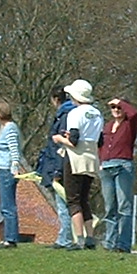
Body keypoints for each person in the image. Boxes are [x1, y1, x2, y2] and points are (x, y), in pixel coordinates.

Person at [52, 79, 103, 250]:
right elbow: (100, 139)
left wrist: (60, 138)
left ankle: (79, 239)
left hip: (75, 157)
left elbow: (73, 141)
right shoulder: (97, 113)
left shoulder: (75, 113)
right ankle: (90, 238)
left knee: (72, 199)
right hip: (92, 157)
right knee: (84, 199)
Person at [99, 96, 137, 253]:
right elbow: (100, 145)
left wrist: (121, 102)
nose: (116, 110)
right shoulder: (107, 126)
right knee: (110, 207)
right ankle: (109, 242)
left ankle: (123, 244)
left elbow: (134, 114)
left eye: (119, 108)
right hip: (106, 166)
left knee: (124, 206)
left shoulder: (130, 125)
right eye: (113, 108)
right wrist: (101, 161)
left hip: (123, 166)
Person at [36, 87, 75, 248]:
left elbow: (59, 147)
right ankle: (69, 236)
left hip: (60, 165)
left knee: (63, 203)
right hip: (64, 163)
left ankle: (64, 238)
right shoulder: (71, 113)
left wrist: (57, 170)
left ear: (55, 99)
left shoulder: (64, 116)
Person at [0, 100, 23, 248]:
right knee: (4, 205)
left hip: (6, 170)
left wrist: (14, 166)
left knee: (8, 206)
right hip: (1, 168)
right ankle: (8, 237)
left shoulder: (10, 129)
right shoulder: (5, 128)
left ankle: (11, 239)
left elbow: (14, 149)